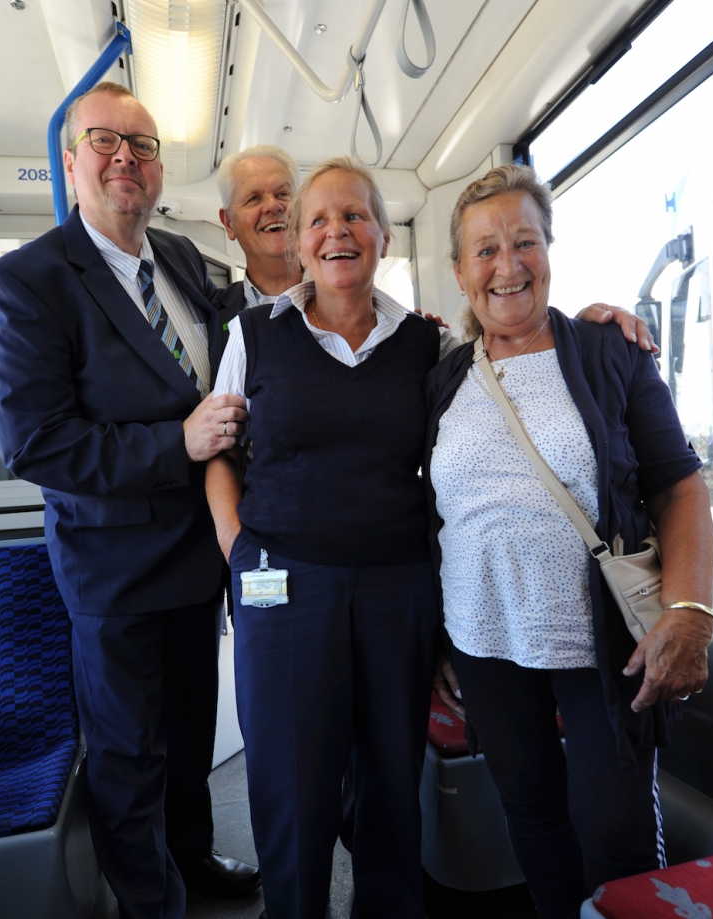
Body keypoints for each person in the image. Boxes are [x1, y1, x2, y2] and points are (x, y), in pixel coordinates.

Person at [0, 81, 258, 919]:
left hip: (196, 555)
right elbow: (37, 443)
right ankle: (150, 903)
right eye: (104, 141)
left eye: (141, 145)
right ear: (70, 161)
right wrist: (178, 443)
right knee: (129, 751)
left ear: (160, 169)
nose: (124, 159)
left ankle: (191, 857)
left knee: (189, 734)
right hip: (115, 570)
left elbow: (246, 345)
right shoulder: (25, 283)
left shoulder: (178, 260)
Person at [426, 163, 713, 919]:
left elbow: (681, 486)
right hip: (484, 643)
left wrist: (690, 610)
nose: (507, 264)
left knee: (614, 828)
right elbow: (427, 513)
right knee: (532, 819)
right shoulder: (444, 377)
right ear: (459, 271)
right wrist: (436, 642)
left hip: (602, 646)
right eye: (485, 249)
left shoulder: (607, 349)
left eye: (524, 241)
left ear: (549, 249)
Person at [206, 156, 456, 919]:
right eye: (318, 218)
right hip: (282, 584)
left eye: (354, 216)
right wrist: (239, 548)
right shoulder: (253, 334)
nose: (335, 230)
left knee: (389, 783)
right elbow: (216, 447)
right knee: (291, 787)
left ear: (382, 234)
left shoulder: (427, 345)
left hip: (396, 587)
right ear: (300, 242)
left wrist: (603, 328)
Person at [212, 145, 303, 341]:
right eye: (254, 198)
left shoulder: (346, 299)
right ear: (229, 223)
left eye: (283, 194)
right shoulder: (210, 317)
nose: (273, 205)